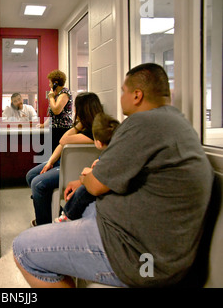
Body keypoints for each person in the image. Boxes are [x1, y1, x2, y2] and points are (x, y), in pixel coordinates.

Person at [13, 63, 214, 288]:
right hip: (138, 235)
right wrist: (84, 181)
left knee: (23, 249)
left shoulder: (142, 123)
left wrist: (86, 177)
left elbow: (97, 184)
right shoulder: (177, 124)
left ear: (137, 95)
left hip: (138, 256)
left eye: (123, 91)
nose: (121, 98)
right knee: (81, 203)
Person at [26, 92, 104, 226]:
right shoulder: (84, 127)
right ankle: (52, 211)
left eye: (76, 107)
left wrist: (77, 126)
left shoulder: (94, 132)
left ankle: (44, 224)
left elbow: (63, 139)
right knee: (31, 175)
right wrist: (50, 161)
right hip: (61, 162)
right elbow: (61, 145)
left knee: (37, 184)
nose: (74, 110)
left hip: (72, 169)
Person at [55, 112, 120, 222]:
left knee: (82, 192)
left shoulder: (108, 155)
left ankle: (68, 215)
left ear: (98, 143)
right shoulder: (115, 150)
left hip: (98, 181)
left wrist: (89, 173)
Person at [38, 70, 74, 150]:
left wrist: (50, 97)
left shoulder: (64, 93)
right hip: (55, 129)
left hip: (61, 130)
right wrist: (44, 125)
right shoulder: (57, 95)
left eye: (50, 82)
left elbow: (56, 110)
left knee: (47, 153)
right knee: (45, 153)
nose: (49, 85)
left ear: (55, 83)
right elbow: (53, 116)